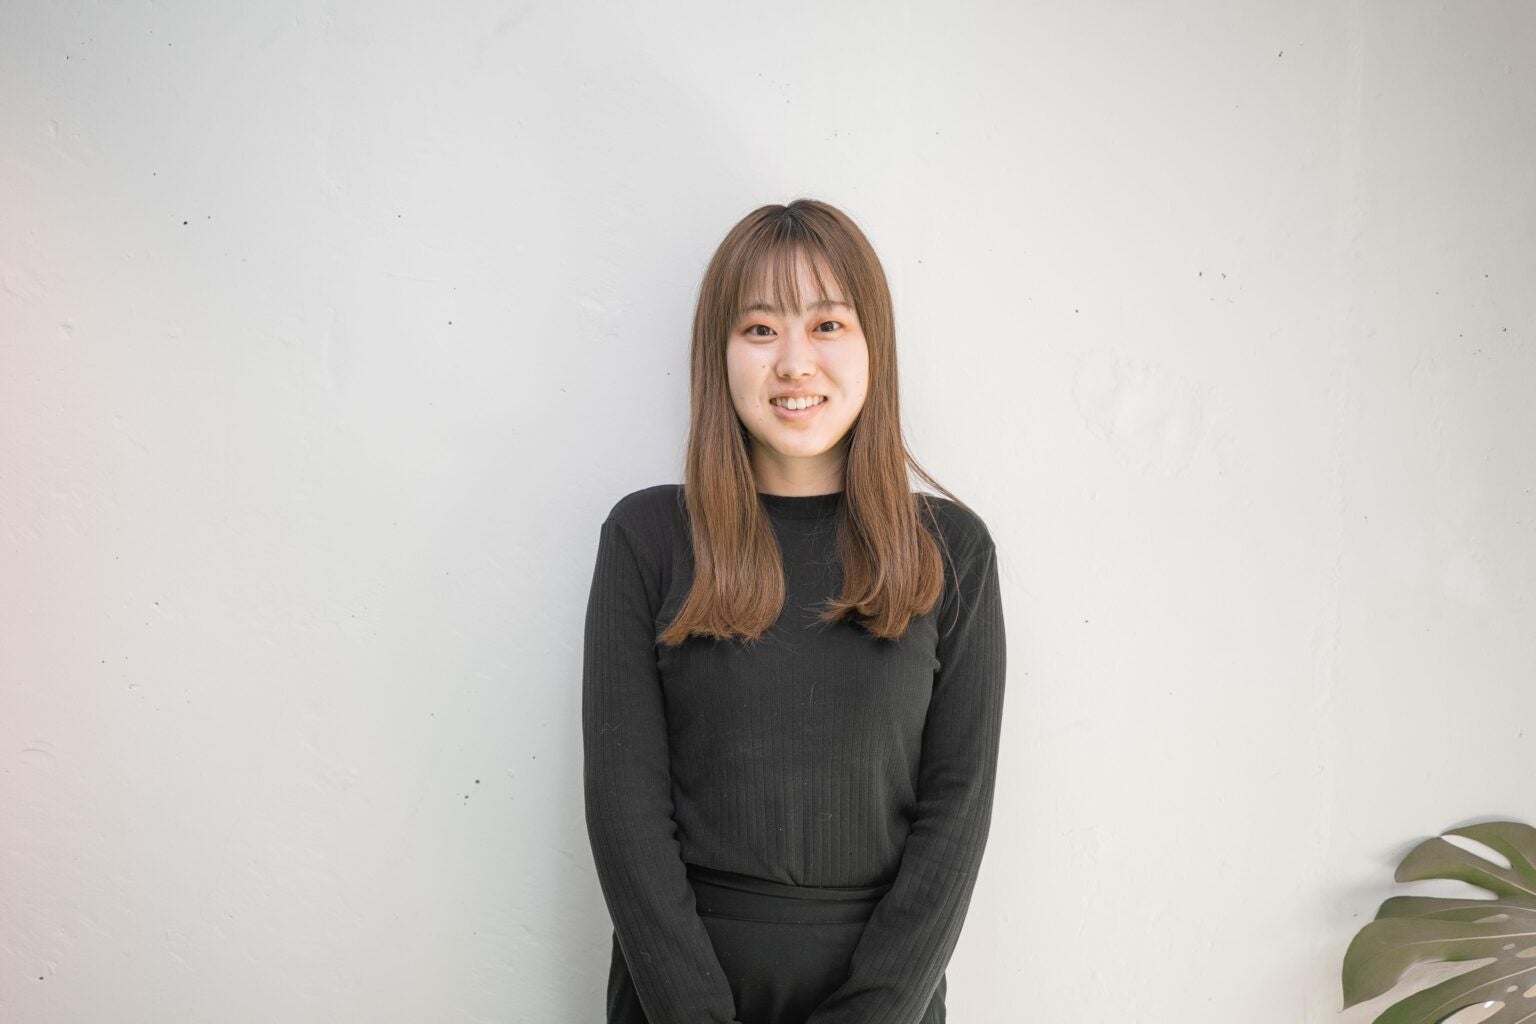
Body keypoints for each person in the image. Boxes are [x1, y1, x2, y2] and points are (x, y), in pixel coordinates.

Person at [582, 198, 1007, 1024]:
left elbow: (957, 814)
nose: (795, 363)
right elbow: (624, 814)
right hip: (676, 996)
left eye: (828, 325)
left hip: (885, 1000)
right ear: (720, 353)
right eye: (760, 329)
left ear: (874, 345)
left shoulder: (952, 551)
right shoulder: (647, 537)